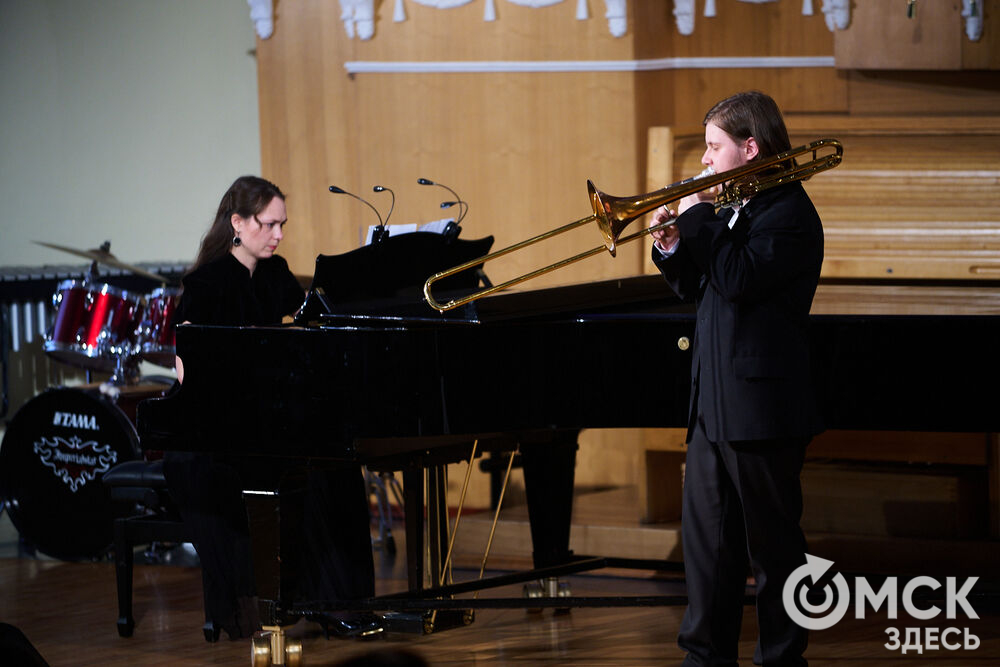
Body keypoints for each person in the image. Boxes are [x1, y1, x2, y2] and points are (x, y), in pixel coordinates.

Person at [648, 91, 824, 666]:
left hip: (760, 407)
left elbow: (741, 279)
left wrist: (697, 215)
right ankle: (704, 657)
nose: (703, 161)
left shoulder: (789, 213)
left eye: (713, 147)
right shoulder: (734, 209)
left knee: (774, 551)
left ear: (750, 148)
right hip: (713, 405)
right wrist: (673, 246)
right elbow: (707, 292)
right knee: (708, 550)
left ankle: (782, 657)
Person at [164, 175, 378, 640]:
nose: (279, 234)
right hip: (212, 431)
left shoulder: (276, 273)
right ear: (238, 223)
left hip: (268, 421)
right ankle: (284, 600)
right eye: (269, 224)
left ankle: (345, 603)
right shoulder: (205, 283)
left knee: (336, 466)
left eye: (283, 224)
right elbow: (188, 369)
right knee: (287, 472)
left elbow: (307, 327)